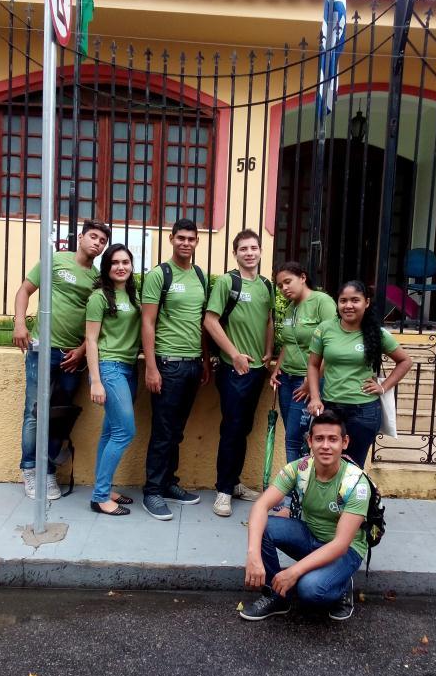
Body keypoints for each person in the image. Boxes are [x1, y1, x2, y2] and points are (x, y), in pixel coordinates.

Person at [240, 411, 370, 622]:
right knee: (263, 526)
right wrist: (253, 554)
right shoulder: (299, 468)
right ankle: (277, 597)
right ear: (310, 441)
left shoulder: (357, 483)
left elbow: (340, 545)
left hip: (344, 551)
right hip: (310, 536)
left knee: (310, 589)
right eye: (319, 438)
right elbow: (260, 506)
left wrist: (294, 571)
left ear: (344, 443)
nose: (325, 446)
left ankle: (343, 583)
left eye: (333, 439)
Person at [14, 219, 110, 500]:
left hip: (72, 356)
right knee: (34, 411)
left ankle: (48, 472)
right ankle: (29, 469)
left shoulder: (97, 279)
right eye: (93, 237)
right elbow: (24, 290)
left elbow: (97, 321)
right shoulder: (56, 260)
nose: (97, 243)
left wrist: (81, 350)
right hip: (42, 349)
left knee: (61, 415)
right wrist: (20, 324)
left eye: (102, 241)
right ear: (80, 237)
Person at [141, 218, 210, 521]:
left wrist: (206, 362)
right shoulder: (160, 275)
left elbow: (201, 323)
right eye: (180, 238)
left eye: (191, 239)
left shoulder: (200, 275)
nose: (186, 243)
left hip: (193, 365)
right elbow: (148, 322)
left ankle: (169, 483)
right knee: (163, 431)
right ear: (171, 239)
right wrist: (152, 368)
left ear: (197, 242)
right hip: (168, 365)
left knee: (177, 432)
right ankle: (152, 491)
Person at [204, 229, 275, 517]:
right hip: (234, 371)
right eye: (243, 248)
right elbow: (210, 321)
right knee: (232, 429)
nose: (249, 252)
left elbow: (269, 319)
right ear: (235, 253)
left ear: (260, 251)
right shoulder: (227, 282)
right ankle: (223, 491)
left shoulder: (267, 285)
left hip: (257, 370)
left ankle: (233, 483)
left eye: (253, 247)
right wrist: (234, 354)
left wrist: (269, 351)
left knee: (244, 428)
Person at [307, 280, 412, 468]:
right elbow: (314, 365)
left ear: (367, 302)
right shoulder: (325, 329)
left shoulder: (376, 333)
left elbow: (405, 361)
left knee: (353, 468)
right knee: (327, 465)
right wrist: (315, 397)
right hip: (330, 408)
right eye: (343, 300)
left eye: (355, 300)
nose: (348, 306)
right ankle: (329, 499)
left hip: (364, 412)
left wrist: (383, 387)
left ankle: (353, 499)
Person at [85, 244, 141, 516]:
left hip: (129, 369)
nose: (121, 266)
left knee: (110, 432)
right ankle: (99, 498)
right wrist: (95, 380)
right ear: (106, 267)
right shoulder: (99, 297)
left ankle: (104, 489)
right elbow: (91, 340)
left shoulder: (133, 295)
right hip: (109, 369)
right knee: (125, 431)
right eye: (115, 262)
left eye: (126, 262)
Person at [271, 261, 336, 463]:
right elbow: (288, 344)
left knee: (296, 437)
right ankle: (298, 485)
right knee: (294, 434)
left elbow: (331, 345)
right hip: (286, 380)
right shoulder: (291, 309)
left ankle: (295, 490)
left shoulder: (321, 302)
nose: (284, 289)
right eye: (280, 286)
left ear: (303, 277)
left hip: (307, 381)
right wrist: (276, 369)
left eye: (288, 282)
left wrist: (311, 383)